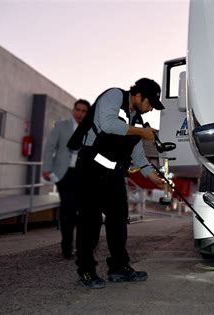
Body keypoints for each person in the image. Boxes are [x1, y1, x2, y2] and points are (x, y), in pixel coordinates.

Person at [68, 78, 165, 289]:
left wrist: (150, 174)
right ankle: (86, 270)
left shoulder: (137, 119)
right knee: (90, 222)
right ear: (138, 96)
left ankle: (118, 267)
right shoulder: (114, 95)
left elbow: (137, 153)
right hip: (90, 169)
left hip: (113, 174)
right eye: (150, 104)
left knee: (119, 221)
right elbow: (108, 124)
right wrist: (141, 132)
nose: (149, 110)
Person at [43, 99, 90, 259]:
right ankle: (67, 248)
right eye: (78, 110)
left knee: (83, 211)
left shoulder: (90, 130)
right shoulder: (61, 126)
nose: (80, 113)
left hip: (83, 174)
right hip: (64, 174)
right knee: (68, 210)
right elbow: (49, 148)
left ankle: (82, 248)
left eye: (84, 111)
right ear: (73, 110)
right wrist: (47, 169)